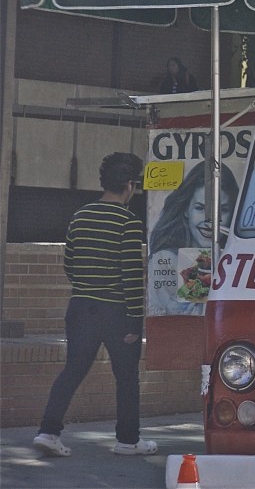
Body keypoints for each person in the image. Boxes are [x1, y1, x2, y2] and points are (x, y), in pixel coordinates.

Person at [33, 152, 157, 457]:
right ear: (130, 185)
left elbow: (70, 264)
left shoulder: (80, 216)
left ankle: (48, 432)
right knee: (126, 378)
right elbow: (131, 276)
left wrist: (87, 286)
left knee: (73, 371)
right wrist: (135, 321)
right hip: (116, 312)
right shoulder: (128, 222)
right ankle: (128, 440)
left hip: (80, 307)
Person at [147, 160, 238, 316]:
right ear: (186, 210)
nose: (210, 221)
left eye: (222, 210)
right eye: (200, 208)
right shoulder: (166, 260)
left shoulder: (240, 257)